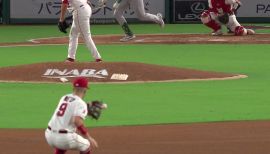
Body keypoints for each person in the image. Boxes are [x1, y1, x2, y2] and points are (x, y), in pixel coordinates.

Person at [45, 77, 98, 154]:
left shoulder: (64, 97)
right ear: (85, 90)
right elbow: (77, 121)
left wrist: (85, 109)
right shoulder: (81, 103)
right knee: (86, 145)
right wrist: (88, 137)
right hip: (64, 139)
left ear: (73, 88)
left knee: (63, 144)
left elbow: (69, 109)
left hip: (49, 136)